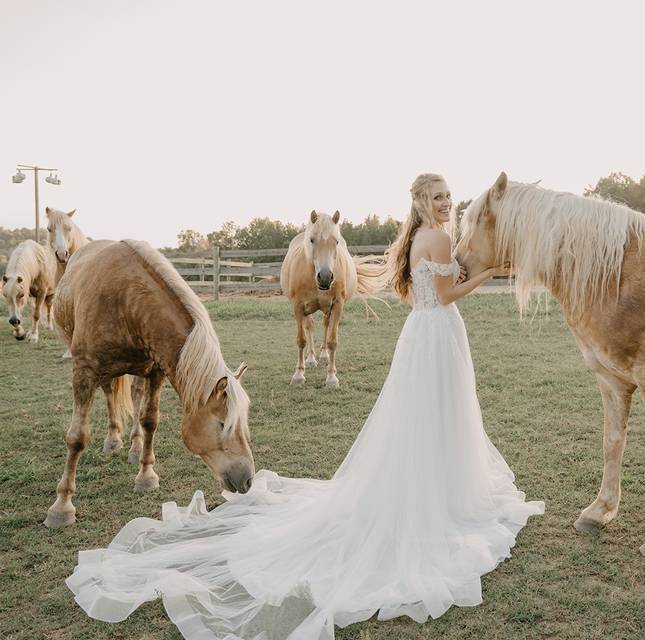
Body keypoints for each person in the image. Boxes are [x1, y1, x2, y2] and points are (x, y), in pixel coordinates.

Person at [67, 173, 545, 640]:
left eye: (448, 196)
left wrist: (462, 271)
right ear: (421, 201)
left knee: (424, 418)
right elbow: (445, 295)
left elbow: (423, 290)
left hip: (422, 336)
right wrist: (490, 272)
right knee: (441, 415)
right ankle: (443, 496)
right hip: (438, 333)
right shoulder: (437, 238)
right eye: (438, 197)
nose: (446, 203)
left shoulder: (420, 236)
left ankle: (432, 488)